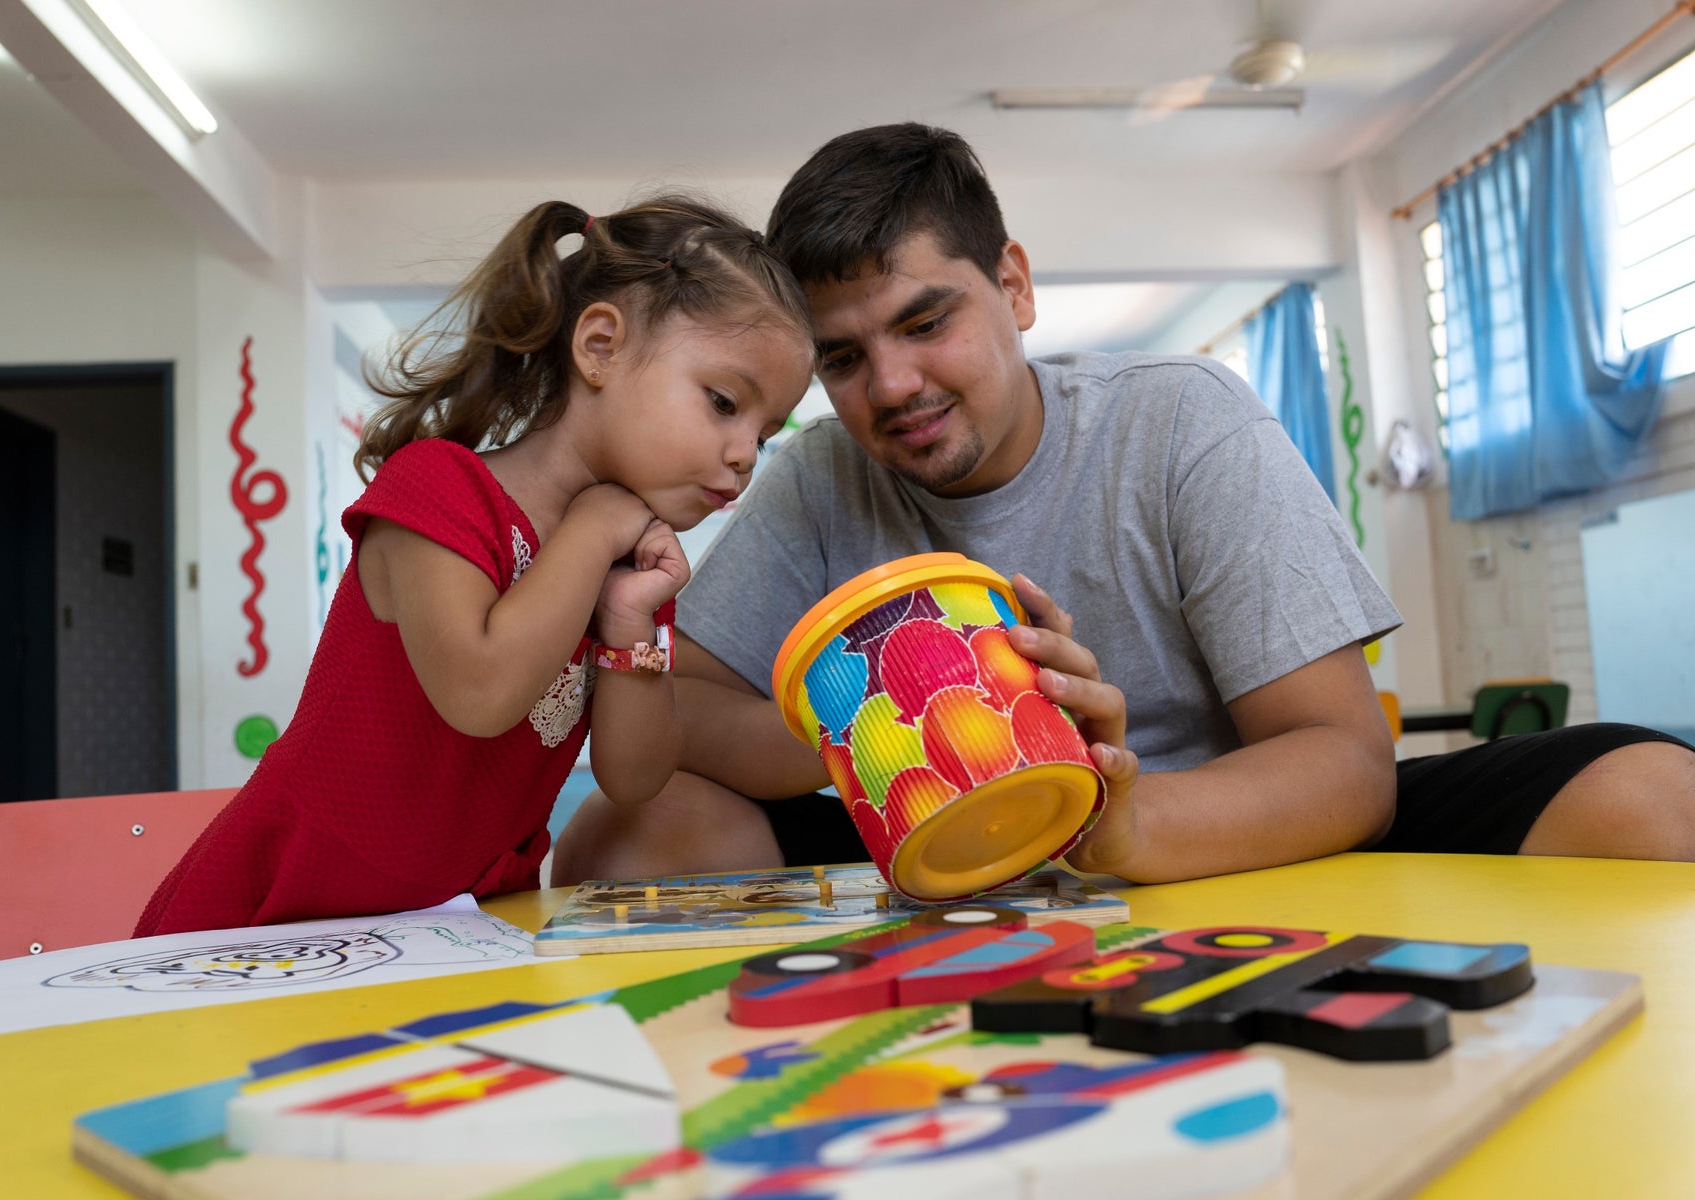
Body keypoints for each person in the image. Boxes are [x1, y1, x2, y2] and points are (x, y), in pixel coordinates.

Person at [551, 124, 1695, 887]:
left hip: (1216, 838)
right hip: (935, 847)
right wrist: (860, 721)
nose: (892, 387)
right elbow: (678, 722)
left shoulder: (1184, 421)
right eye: (842, 359)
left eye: (925, 322)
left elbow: (1345, 761)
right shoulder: (814, 478)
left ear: (1014, 287)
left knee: (1652, 794)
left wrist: (1121, 823)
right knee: (620, 836)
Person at [137, 195, 813, 936]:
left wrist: (628, 621)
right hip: (286, 913)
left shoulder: (633, 564)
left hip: (457, 923)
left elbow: (633, 777)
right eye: (723, 403)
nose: (746, 453)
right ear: (599, 347)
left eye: (767, 429)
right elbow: (481, 690)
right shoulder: (441, 488)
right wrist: (589, 531)